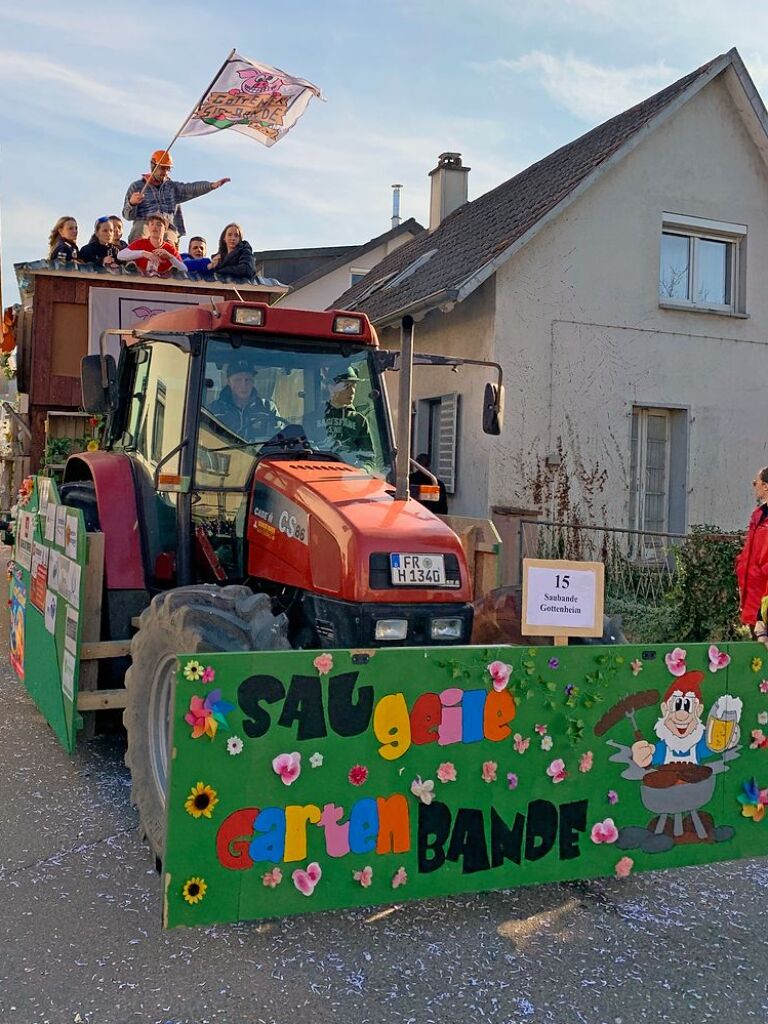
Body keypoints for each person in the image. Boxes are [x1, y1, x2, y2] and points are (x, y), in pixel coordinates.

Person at [122, 148, 230, 242]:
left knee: (170, 236)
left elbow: (191, 189)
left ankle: (170, 265)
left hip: (167, 226)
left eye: (167, 169)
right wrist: (132, 203)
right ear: (153, 166)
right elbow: (127, 216)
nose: (165, 172)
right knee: (141, 229)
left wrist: (210, 186)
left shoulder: (172, 187)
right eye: (162, 168)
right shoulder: (137, 187)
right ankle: (135, 262)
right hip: (145, 224)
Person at [209, 359, 282, 441]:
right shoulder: (213, 410)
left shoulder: (268, 408)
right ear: (228, 382)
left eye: (247, 380)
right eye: (238, 380)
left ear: (253, 382)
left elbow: (278, 439)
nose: (243, 385)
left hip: (260, 453)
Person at [736, 467, 768, 636]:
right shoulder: (758, 516)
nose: (754, 486)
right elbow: (749, 553)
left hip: (764, 598)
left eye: (756, 483)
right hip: (753, 594)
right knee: (756, 657)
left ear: (766, 486)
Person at [116, 211, 186, 276]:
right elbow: (120, 255)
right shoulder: (141, 243)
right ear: (148, 227)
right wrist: (143, 253)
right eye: (152, 224)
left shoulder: (169, 248)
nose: (155, 227)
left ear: (165, 229)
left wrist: (170, 257)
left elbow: (184, 269)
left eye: (159, 224)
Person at [324, 366, 373, 457]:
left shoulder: (358, 420)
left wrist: (364, 469)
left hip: (348, 469)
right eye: (346, 386)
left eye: (354, 386)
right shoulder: (313, 418)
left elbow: (368, 457)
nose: (352, 391)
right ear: (331, 388)